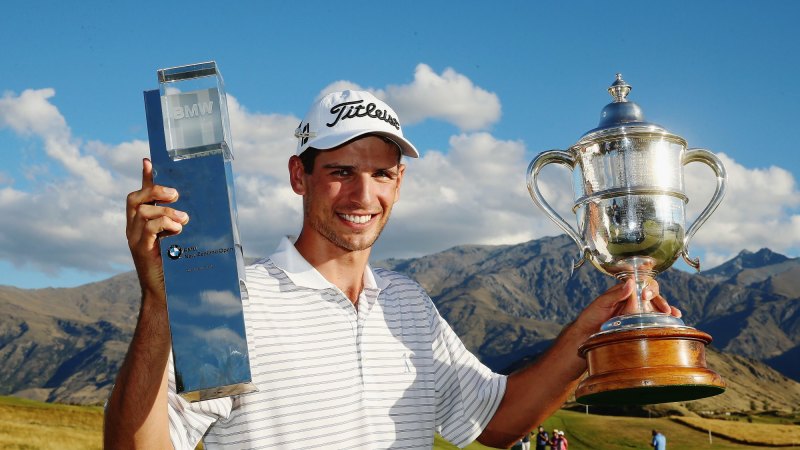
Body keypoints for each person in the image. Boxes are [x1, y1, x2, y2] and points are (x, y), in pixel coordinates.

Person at [104, 89, 680, 449]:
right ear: (298, 176)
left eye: (381, 174)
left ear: (398, 182)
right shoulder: (235, 302)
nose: (363, 193)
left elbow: (498, 422)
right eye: (341, 171)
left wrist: (590, 334)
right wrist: (159, 305)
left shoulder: (410, 306)